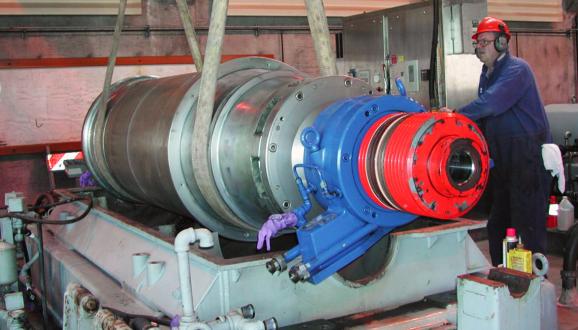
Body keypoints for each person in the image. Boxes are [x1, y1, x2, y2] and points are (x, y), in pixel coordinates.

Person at [440, 17, 553, 266]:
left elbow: (491, 104)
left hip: (526, 156)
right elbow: (485, 117)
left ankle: (534, 281)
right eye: (477, 42)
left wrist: (455, 115)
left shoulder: (517, 70)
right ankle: (503, 275)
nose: (479, 47)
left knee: (526, 226)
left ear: (502, 43)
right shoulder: (487, 74)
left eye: (485, 41)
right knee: (498, 226)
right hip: (502, 157)